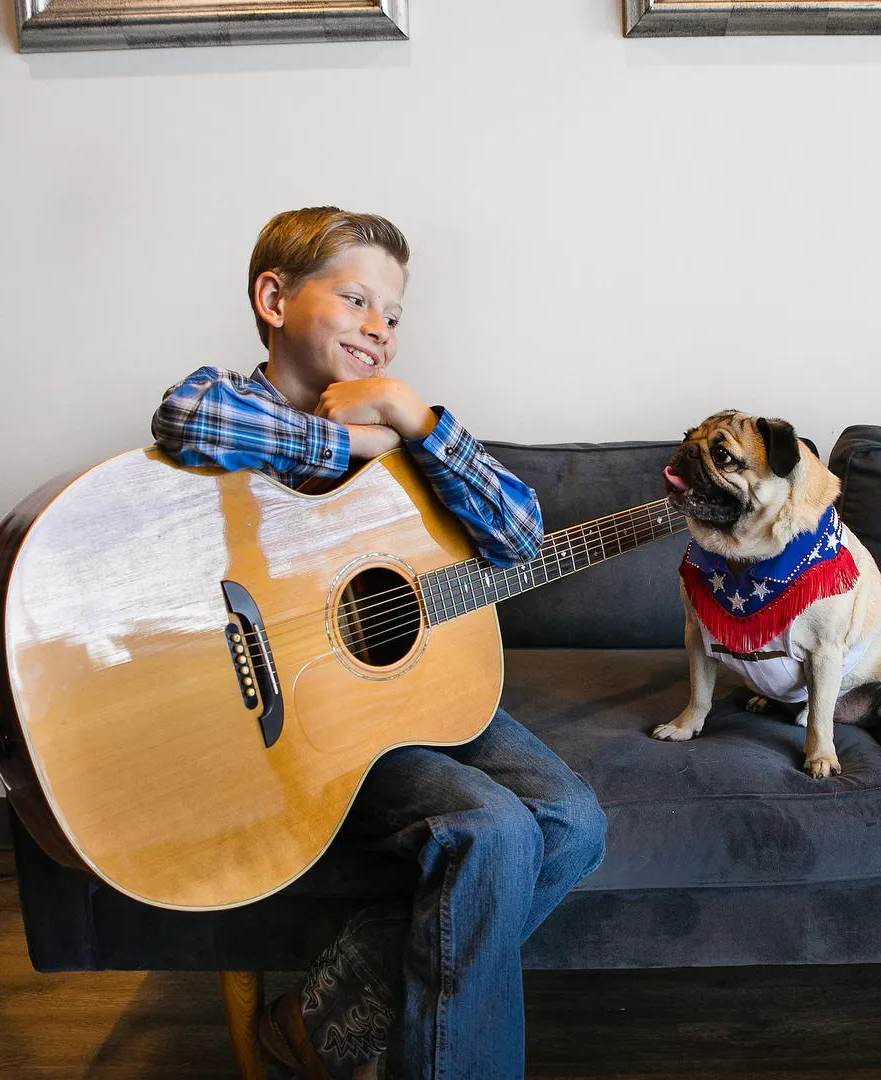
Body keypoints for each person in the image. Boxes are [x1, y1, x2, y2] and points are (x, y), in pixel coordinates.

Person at [151, 207, 608, 1080]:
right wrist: (347, 439)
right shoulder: (230, 405)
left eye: (393, 316)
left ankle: (315, 1020)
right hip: (289, 720)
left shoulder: (405, 439)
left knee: (574, 821)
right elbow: (184, 419)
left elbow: (521, 538)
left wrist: (413, 416)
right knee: (493, 830)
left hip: (408, 695)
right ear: (274, 297)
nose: (378, 328)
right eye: (356, 298)